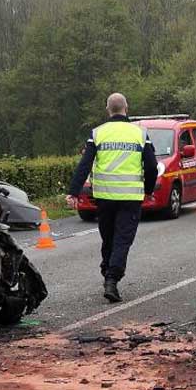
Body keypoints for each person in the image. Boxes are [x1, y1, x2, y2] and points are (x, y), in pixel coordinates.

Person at [66, 92, 158, 303]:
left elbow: (84, 164)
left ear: (108, 110)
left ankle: (107, 269)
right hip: (130, 197)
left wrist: (74, 192)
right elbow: (152, 166)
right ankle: (112, 278)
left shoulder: (97, 133)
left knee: (108, 237)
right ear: (127, 108)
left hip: (104, 197)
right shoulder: (140, 134)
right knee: (123, 239)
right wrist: (149, 189)